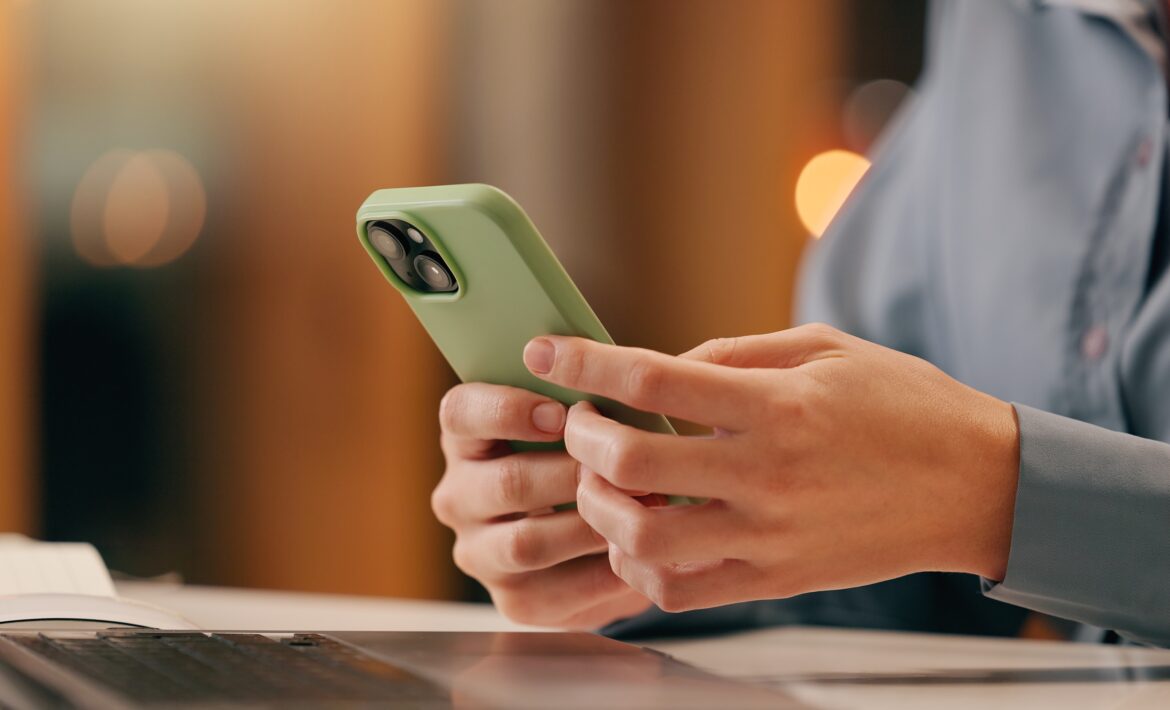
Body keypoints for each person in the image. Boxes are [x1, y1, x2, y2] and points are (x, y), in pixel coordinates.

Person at [430, 0, 1170, 646]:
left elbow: (962, 498)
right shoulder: (1000, 25)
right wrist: (664, 547)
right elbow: (905, 571)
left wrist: (998, 496)